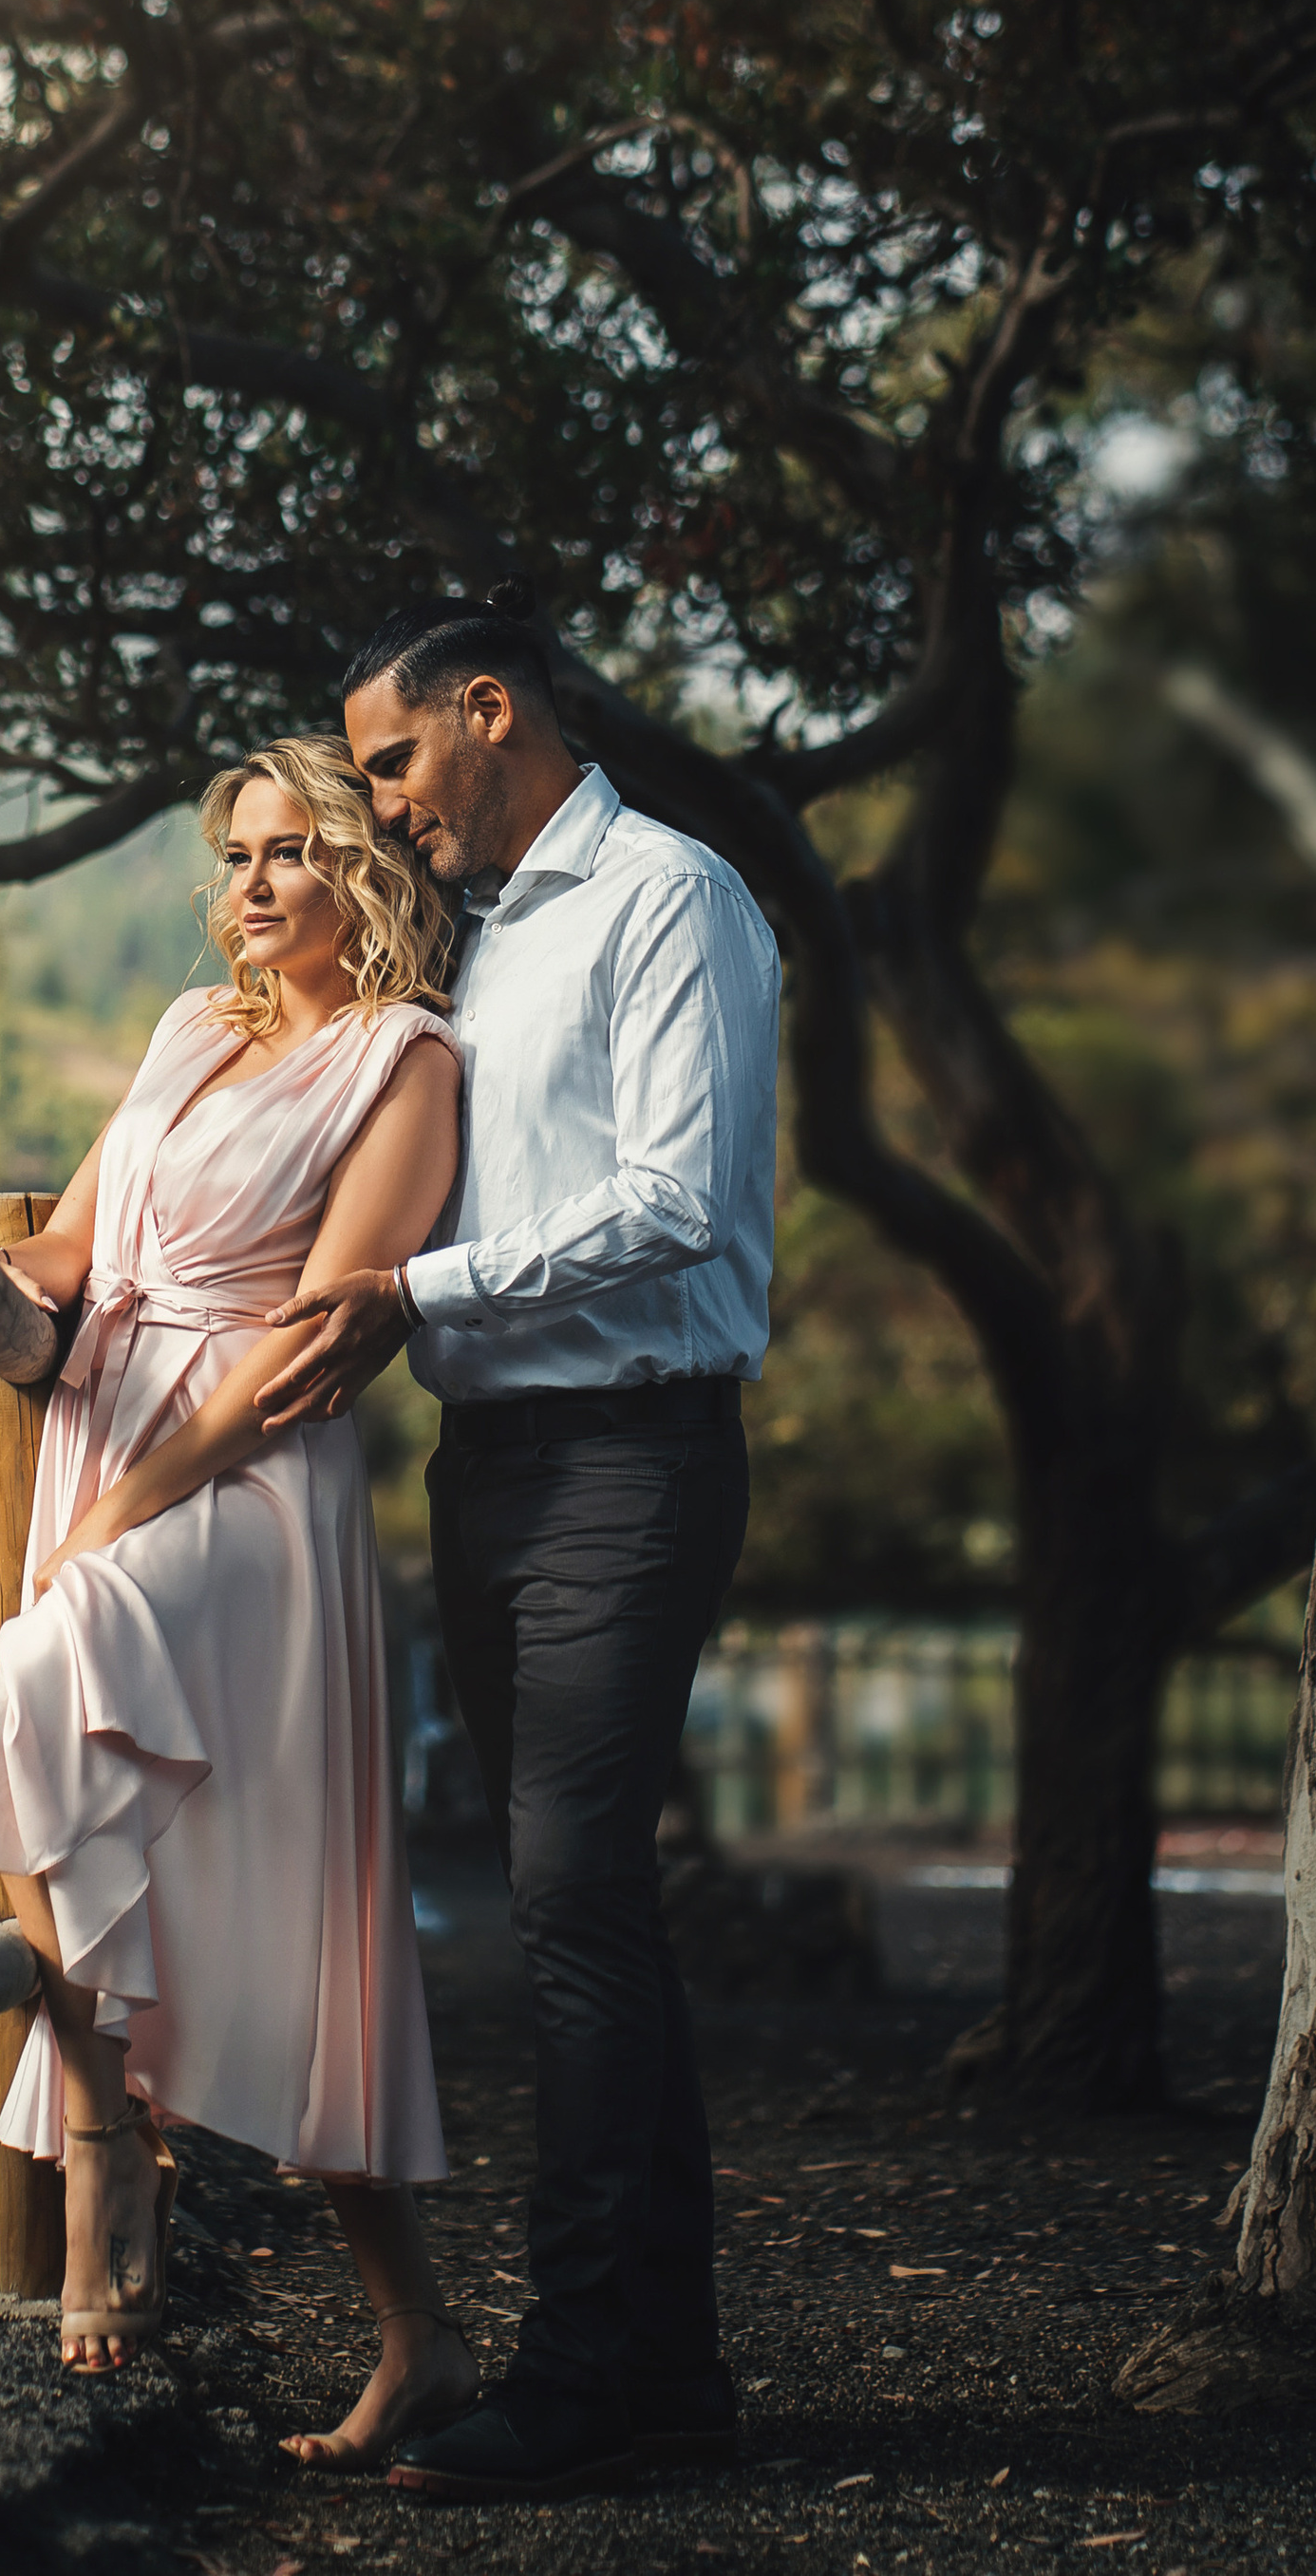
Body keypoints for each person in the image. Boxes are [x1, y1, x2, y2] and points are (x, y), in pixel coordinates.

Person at [259, 581, 780, 2508]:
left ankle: (573, 2373)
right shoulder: (479, 947)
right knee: (585, 1915)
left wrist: (422, 1284)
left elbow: (675, 1194)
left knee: (566, 1901)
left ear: (488, 709)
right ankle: (667, 2373)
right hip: (489, 1464)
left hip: (629, 1460)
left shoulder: (669, 896)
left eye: (392, 758)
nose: (382, 801)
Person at [0, 735, 480, 2471]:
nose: (249, 886)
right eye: (236, 856)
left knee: (215, 1843)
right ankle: (415, 2334)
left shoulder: (409, 1061)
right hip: (109, 1419)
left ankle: (116, 2156)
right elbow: (74, 1262)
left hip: (243, 1474)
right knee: (64, 1733)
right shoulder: (191, 1029)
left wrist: (124, 1497)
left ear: (363, 872)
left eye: (286, 854)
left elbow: (312, 1332)